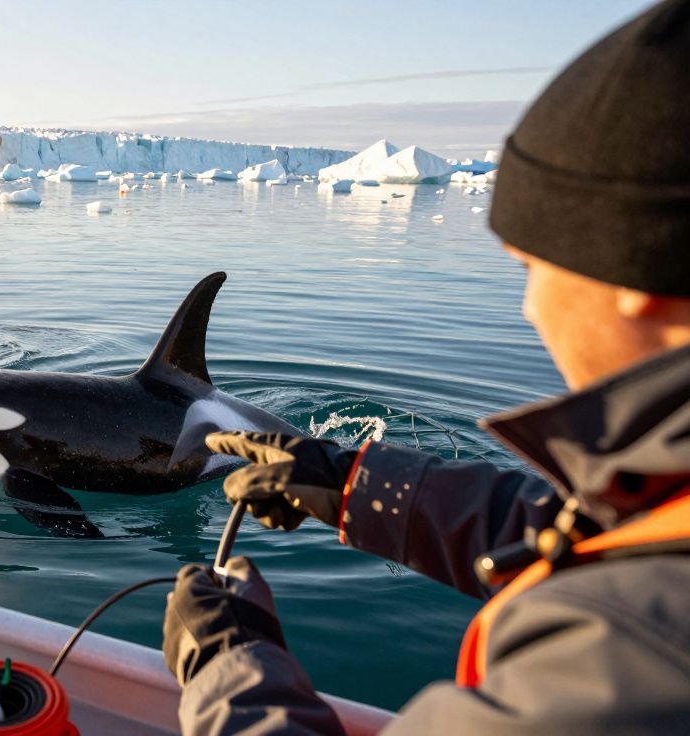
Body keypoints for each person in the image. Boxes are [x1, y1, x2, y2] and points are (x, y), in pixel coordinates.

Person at [161, 2, 690, 733]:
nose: (532, 306)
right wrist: (348, 481)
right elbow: (610, 535)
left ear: (636, 278)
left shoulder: (631, 652)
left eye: (530, 265)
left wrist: (227, 667)